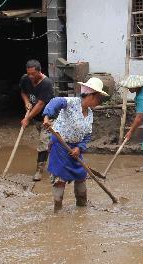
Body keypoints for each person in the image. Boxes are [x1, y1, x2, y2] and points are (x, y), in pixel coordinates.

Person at [42, 77, 108, 212]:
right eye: (98, 98)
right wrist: (47, 117)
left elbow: (87, 135)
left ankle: (82, 206)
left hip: (75, 149)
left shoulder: (90, 114)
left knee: (81, 176)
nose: (98, 102)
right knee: (60, 178)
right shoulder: (71, 103)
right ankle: (58, 209)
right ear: (90, 95)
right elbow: (55, 102)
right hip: (60, 145)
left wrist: (80, 147)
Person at [19, 59, 55, 181]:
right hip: (37, 119)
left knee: (43, 142)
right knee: (48, 142)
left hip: (49, 117)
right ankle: (55, 159)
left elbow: (40, 104)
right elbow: (23, 92)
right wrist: (27, 101)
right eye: (28, 73)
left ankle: (39, 170)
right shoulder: (25, 79)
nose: (30, 76)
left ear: (39, 72)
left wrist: (27, 118)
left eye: (33, 74)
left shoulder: (46, 84)